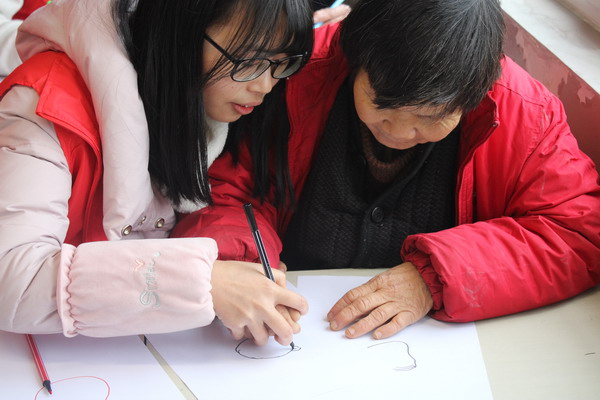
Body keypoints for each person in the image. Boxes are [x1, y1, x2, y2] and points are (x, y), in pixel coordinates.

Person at [173, 0, 600, 340]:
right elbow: (223, 187)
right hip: (300, 315)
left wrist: (434, 279)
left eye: (432, 118)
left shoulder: (523, 113)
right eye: (381, 105)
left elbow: (578, 232)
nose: (398, 132)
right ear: (354, 57)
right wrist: (243, 266)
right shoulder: (294, 72)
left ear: (476, 92)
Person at [0, 0, 314, 346]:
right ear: (178, 31)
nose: (265, 85)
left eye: (281, 63)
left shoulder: (204, 101)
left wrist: (239, 266)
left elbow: (221, 205)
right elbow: (13, 280)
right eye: (249, 60)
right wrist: (204, 281)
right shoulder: (43, 105)